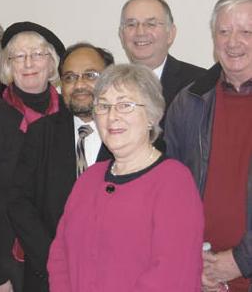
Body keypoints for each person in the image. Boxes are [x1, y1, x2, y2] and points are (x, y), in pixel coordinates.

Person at [48, 64, 204, 291]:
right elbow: (60, 255)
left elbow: (171, 274)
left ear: (151, 115)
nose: (112, 116)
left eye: (125, 105)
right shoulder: (90, 178)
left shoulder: (173, 182)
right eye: (103, 106)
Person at [7, 42, 114, 292]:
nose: (79, 85)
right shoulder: (40, 133)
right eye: (69, 77)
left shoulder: (128, 135)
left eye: (90, 75)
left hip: (113, 276)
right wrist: (54, 260)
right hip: (49, 277)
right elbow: (18, 202)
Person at [165, 0, 252, 292]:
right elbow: (171, 193)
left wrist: (243, 260)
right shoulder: (188, 102)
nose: (233, 42)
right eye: (224, 31)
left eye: (246, 32)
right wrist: (193, 259)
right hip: (202, 275)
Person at [0, 21, 66, 292]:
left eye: (37, 54)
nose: (28, 63)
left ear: (52, 64)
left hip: (60, 253)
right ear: (8, 66)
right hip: (8, 258)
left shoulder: (67, 115)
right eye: (19, 56)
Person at [119, 0, 205, 150]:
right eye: (131, 24)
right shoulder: (113, 87)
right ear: (122, 35)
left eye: (151, 24)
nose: (140, 32)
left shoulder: (200, 83)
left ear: (170, 34)